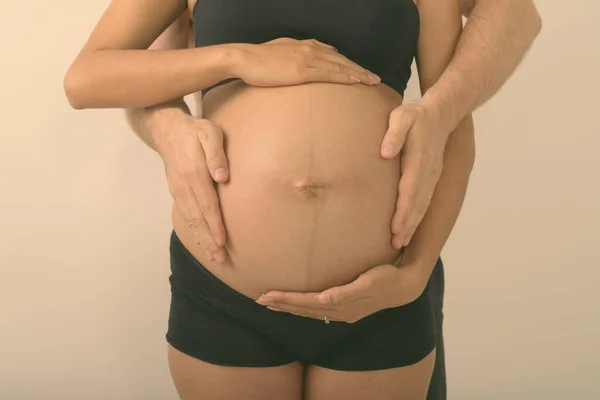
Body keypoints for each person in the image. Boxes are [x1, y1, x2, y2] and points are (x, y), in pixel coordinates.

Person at [64, 0, 541, 399]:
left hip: (379, 290)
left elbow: (451, 127)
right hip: (225, 286)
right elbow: (87, 77)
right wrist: (237, 58)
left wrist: (415, 273)